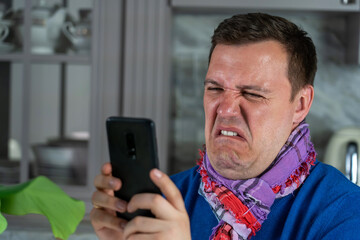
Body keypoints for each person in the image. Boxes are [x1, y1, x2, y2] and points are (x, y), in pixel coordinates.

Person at [90, 13, 360, 239]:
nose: (226, 109)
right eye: (215, 88)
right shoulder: (163, 202)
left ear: (300, 104)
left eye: (253, 94)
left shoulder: (344, 213)